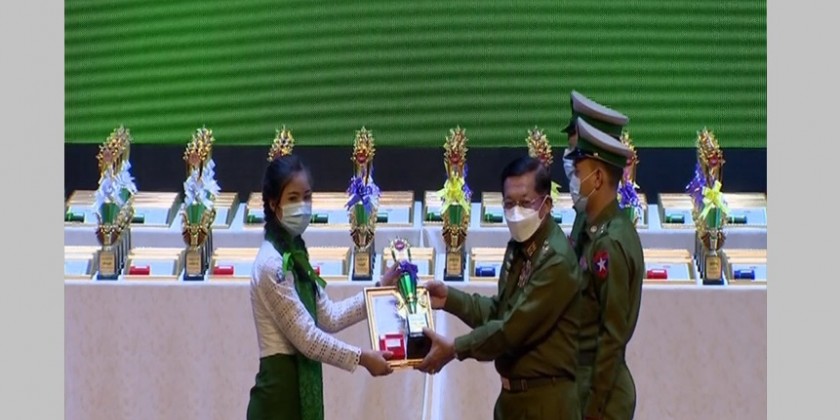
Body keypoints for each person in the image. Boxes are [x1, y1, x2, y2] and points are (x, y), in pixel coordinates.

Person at [416, 156, 585, 420]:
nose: (516, 212)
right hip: (513, 400)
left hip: (547, 404)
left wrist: (455, 348)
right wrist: (449, 299)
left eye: (525, 203)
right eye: (509, 204)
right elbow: (499, 311)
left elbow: (512, 329)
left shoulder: (556, 260)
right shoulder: (520, 247)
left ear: (546, 204)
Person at [246, 154, 401, 420]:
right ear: (273, 204)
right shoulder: (271, 264)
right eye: (293, 198)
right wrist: (362, 358)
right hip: (279, 398)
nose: (303, 205)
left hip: (296, 389)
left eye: (307, 197)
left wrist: (378, 289)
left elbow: (329, 316)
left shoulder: (297, 254)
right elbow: (308, 339)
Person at [565, 118, 645, 420]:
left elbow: (611, 337)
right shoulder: (593, 225)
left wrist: (593, 410)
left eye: (578, 172)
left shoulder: (609, 242)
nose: (573, 179)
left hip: (600, 394)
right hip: (583, 382)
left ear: (597, 178)